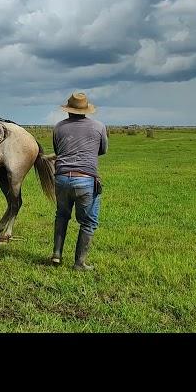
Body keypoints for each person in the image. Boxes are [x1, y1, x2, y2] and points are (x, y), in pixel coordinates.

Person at [51, 91, 108, 271]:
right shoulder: (99, 126)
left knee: (61, 215)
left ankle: (57, 255)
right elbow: (103, 150)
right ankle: (79, 263)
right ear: (86, 110)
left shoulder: (58, 127)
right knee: (89, 222)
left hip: (61, 178)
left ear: (68, 111)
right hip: (85, 179)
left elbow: (58, 150)